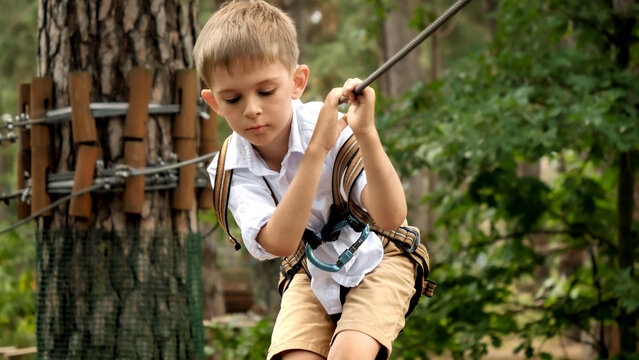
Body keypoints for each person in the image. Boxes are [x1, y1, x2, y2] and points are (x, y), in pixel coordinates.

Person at [194, 1, 424, 359]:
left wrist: (366, 135)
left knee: (351, 353)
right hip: (310, 269)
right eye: (233, 98)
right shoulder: (231, 167)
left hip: (378, 252)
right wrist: (316, 151)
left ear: (297, 82)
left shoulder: (332, 124)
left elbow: (392, 216)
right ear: (214, 103)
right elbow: (280, 243)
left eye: (266, 92)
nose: (251, 109)